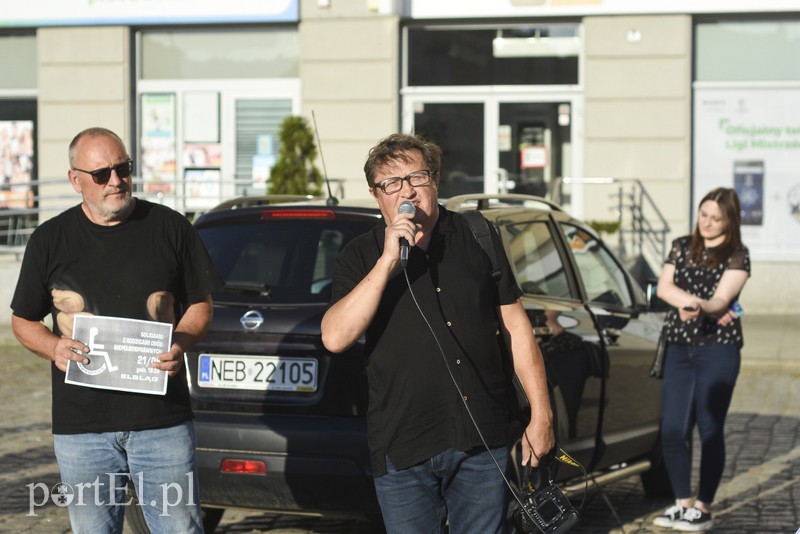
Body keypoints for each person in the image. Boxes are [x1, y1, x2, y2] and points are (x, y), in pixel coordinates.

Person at [320, 133, 554, 533]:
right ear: (377, 195)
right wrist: (387, 264)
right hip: (402, 443)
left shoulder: (478, 235)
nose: (406, 190)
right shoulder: (360, 254)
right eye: (390, 183)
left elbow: (516, 326)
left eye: (417, 177)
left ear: (436, 181)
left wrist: (542, 413)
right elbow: (335, 337)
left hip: (481, 438)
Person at [10, 127, 222, 533]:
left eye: (123, 169)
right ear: (76, 180)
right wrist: (53, 348)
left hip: (162, 424)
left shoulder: (171, 227)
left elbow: (200, 304)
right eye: (102, 174)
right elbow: (23, 320)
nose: (116, 181)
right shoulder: (49, 240)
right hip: (83, 430)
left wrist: (181, 341)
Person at [653, 187, 750, 532]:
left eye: (715, 217)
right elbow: (663, 287)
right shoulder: (681, 245)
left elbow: (721, 299)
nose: (707, 223)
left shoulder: (737, 254)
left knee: (709, 428)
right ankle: (682, 503)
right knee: (673, 428)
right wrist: (690, 301)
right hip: (679, 346)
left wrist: (698, 305)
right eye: (703, 214)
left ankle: (703, 506)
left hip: (718, 348)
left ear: (729, 221)